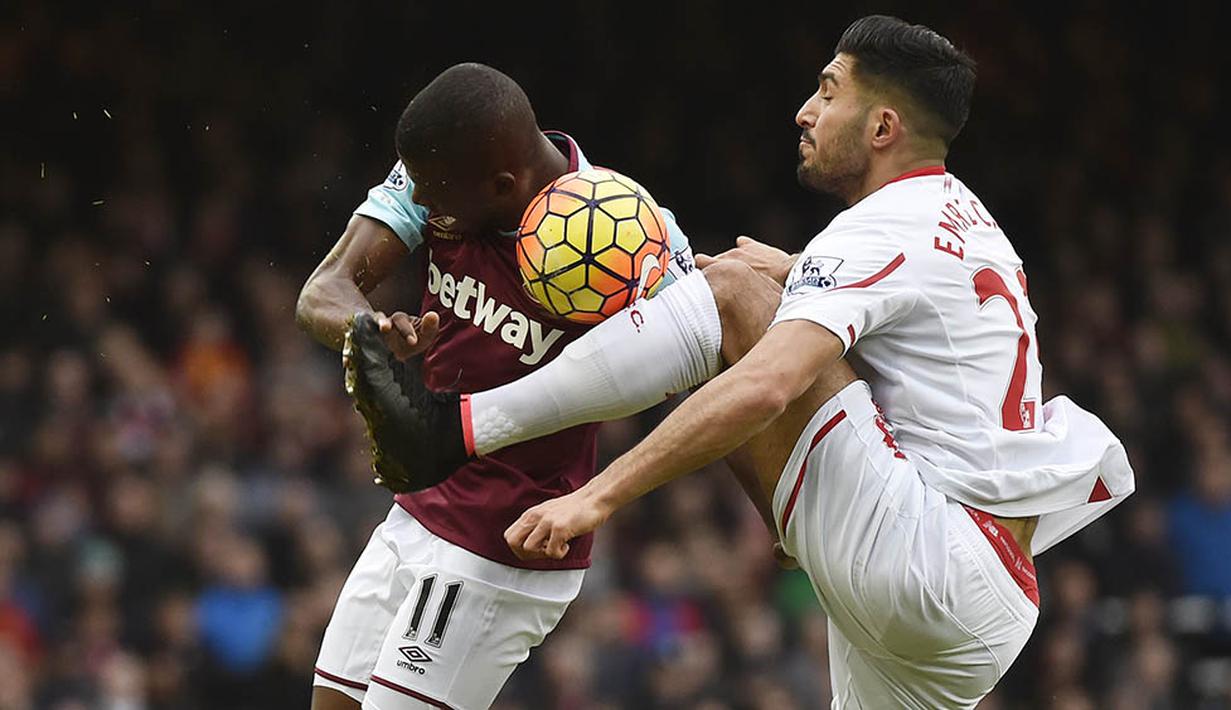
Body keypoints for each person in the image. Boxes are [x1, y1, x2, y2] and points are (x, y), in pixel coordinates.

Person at [345, 17, 1134, 707]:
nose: (805, 110)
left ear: (882, 126)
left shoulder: (879, 226)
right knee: (754, 285)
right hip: (987, 606)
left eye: (828, 92)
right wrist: (794, 269)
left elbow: (766, 383)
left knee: (725, 293)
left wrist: (595, 498)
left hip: (925, 559)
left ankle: (456, 427)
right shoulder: (963, 218)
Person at [296, 63, 695, 710]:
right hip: (418, 504)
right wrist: (368, 329)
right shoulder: (439, 172)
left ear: (503, 183)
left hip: (505, 548)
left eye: (434, 195)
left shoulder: (628, 233)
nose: (421, 206)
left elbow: (709, 361)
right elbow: (322, 293)